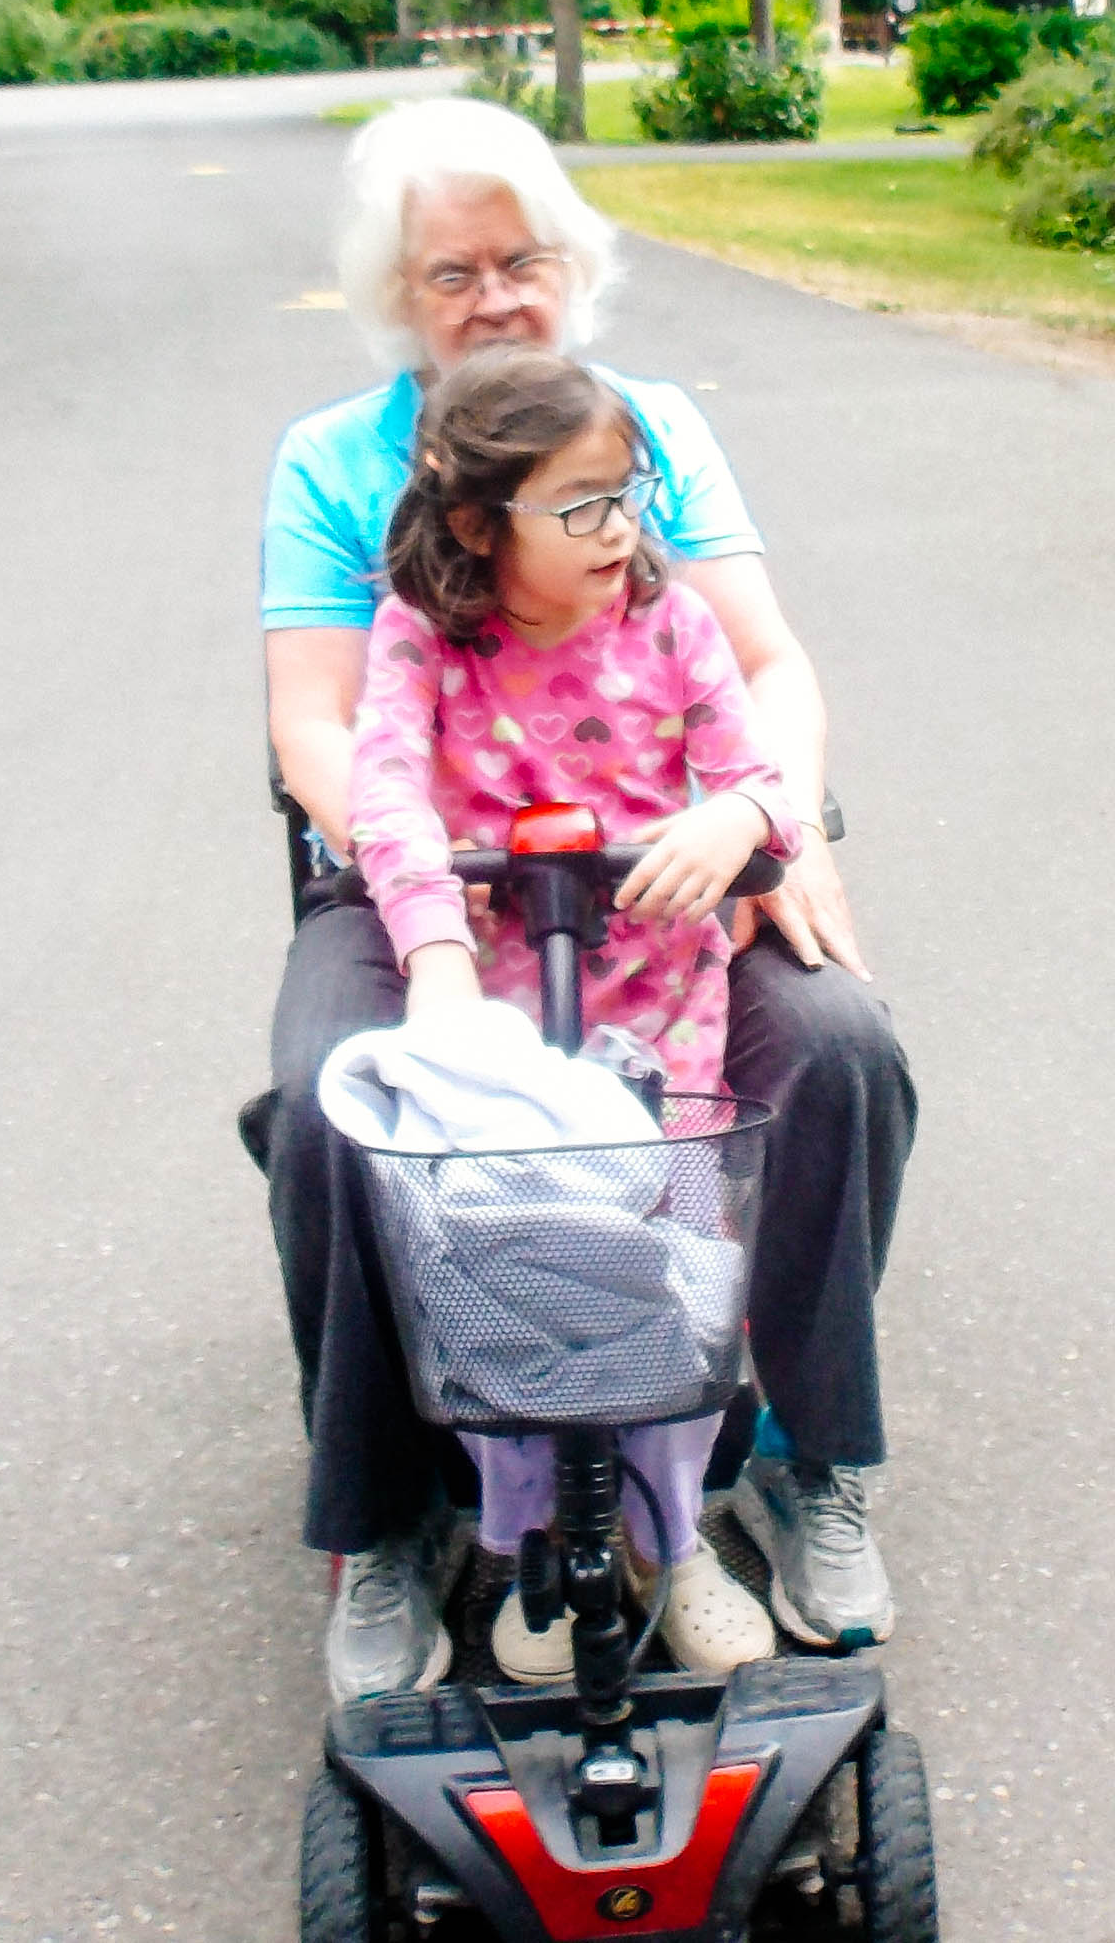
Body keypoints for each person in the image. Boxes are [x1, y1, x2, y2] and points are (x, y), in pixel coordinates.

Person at [254, 95, 917, 1705]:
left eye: (521, 259)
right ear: (397, 299)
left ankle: (805, 1456)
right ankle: (389, 1513)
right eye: (450, 273)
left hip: (667, 870)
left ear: (575, 265)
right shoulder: (339, 466)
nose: (492, 297)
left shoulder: (648, 432)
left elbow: (759, 664)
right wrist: (436, 912)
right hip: (443, 869)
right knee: (334, 1103)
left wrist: (777, 837)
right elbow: (320, 727)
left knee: (836, 1047)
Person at [347, 344, 798, 1683]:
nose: (624, 532)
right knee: (504, 1283)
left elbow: (761, 774)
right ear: (481, 522)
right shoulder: (425, 636)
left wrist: (733, 816)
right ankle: (526, 1537)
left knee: (667, 1289)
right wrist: (431, 951)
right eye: (584, 506)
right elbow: (384, 795)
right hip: (498, 1040)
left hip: (658, 1029)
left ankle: (676, 1535)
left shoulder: (671, 625)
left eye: (632, 496)